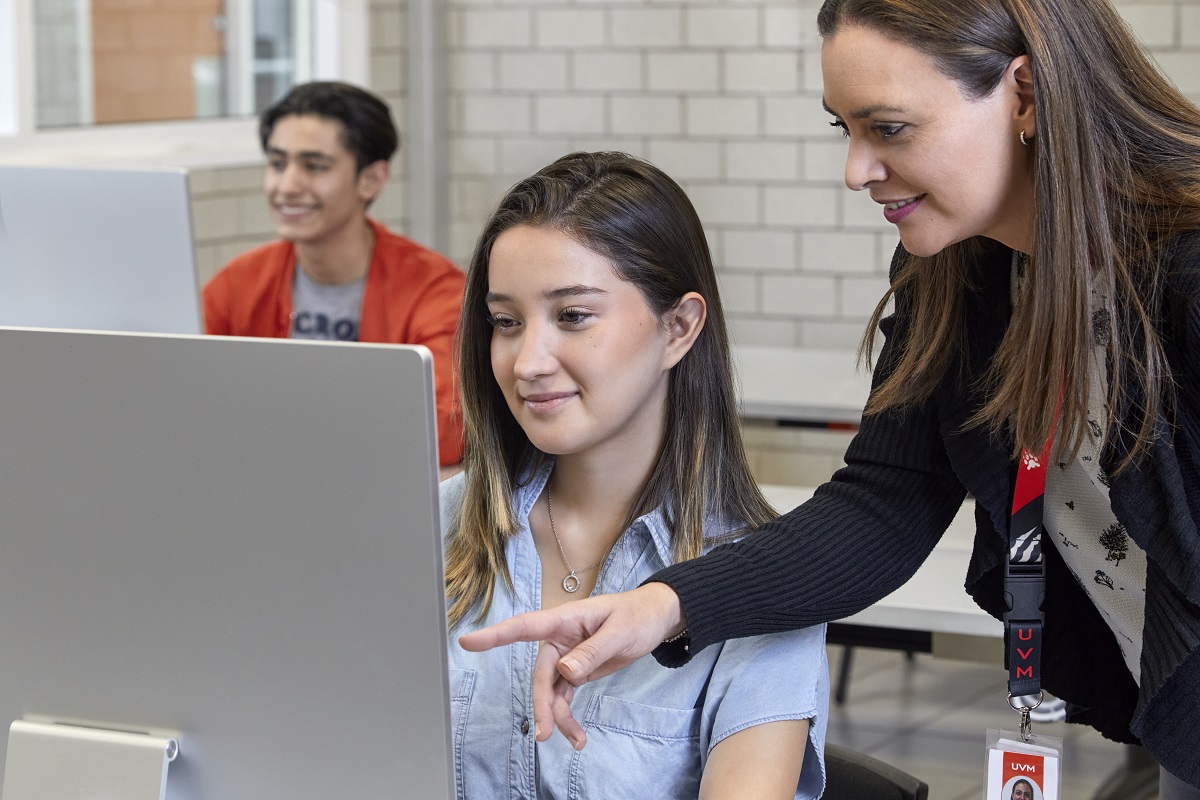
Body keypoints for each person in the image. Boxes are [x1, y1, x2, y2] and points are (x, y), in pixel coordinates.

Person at [459, 0, 1200, 794]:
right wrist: (662, 604)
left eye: (888, 128)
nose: (856, 169)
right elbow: (884, 506)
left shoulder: (1182, 271)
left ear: (1023, 94)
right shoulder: (962, 275)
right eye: (843, 129)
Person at [442, 151, 828, 799]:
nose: (527, 360)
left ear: (678, 328)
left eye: (573, 316)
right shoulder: (433, 528)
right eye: (506, 322)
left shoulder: (764, 585)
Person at [202, 81, 465, 467]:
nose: (287, 186)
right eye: (277, 164)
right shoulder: (237, 284)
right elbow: (190, 400)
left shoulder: (436, 291)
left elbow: (446, 429)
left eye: (314, 166)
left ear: (371, 179)